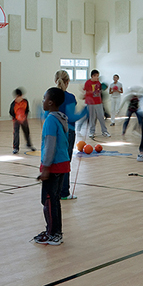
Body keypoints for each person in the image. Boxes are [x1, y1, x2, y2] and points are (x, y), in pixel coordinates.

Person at [32, 87, 69, 246]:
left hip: (53, 167)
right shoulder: (61, 118)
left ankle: (53, 233)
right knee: (53, 200)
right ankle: (55, 231)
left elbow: (50, 145)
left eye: (44, 98)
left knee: (48, 201)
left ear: (51, 102)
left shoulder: (51, 120)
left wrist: (46, 168)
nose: (43, 101)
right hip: (62, 165)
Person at [55, 70, 86, 200]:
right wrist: (86, 111)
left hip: (54, 132)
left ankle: (53, 191)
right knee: (65, 161)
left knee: (55, 160)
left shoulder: (50, 94)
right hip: (68, 133)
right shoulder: (69, 97)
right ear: (67, 82)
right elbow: (72, 117)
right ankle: (64, 192)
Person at [83, 69, 110, 137]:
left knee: (101, 117)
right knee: (92, 118)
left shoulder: (98, 83)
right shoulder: (87, 83)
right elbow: (85, 91)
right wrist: (86, 96)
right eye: (96, 76)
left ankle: (104, 131)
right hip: (90, 104)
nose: (97, 77)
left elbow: (99, 91)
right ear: (92, 76)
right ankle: (92, 132)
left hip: (98, 103)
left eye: (98, 76)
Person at [9, 87, 34, 154]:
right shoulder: (13, 104)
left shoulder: (25, 102)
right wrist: (16, 118)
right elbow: (11, 112)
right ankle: (16, 148)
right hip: (16, 120)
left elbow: (27, 110)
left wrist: (24, 117)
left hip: (24, 120)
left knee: (27, 132)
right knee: (16, 133)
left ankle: (29, 144)